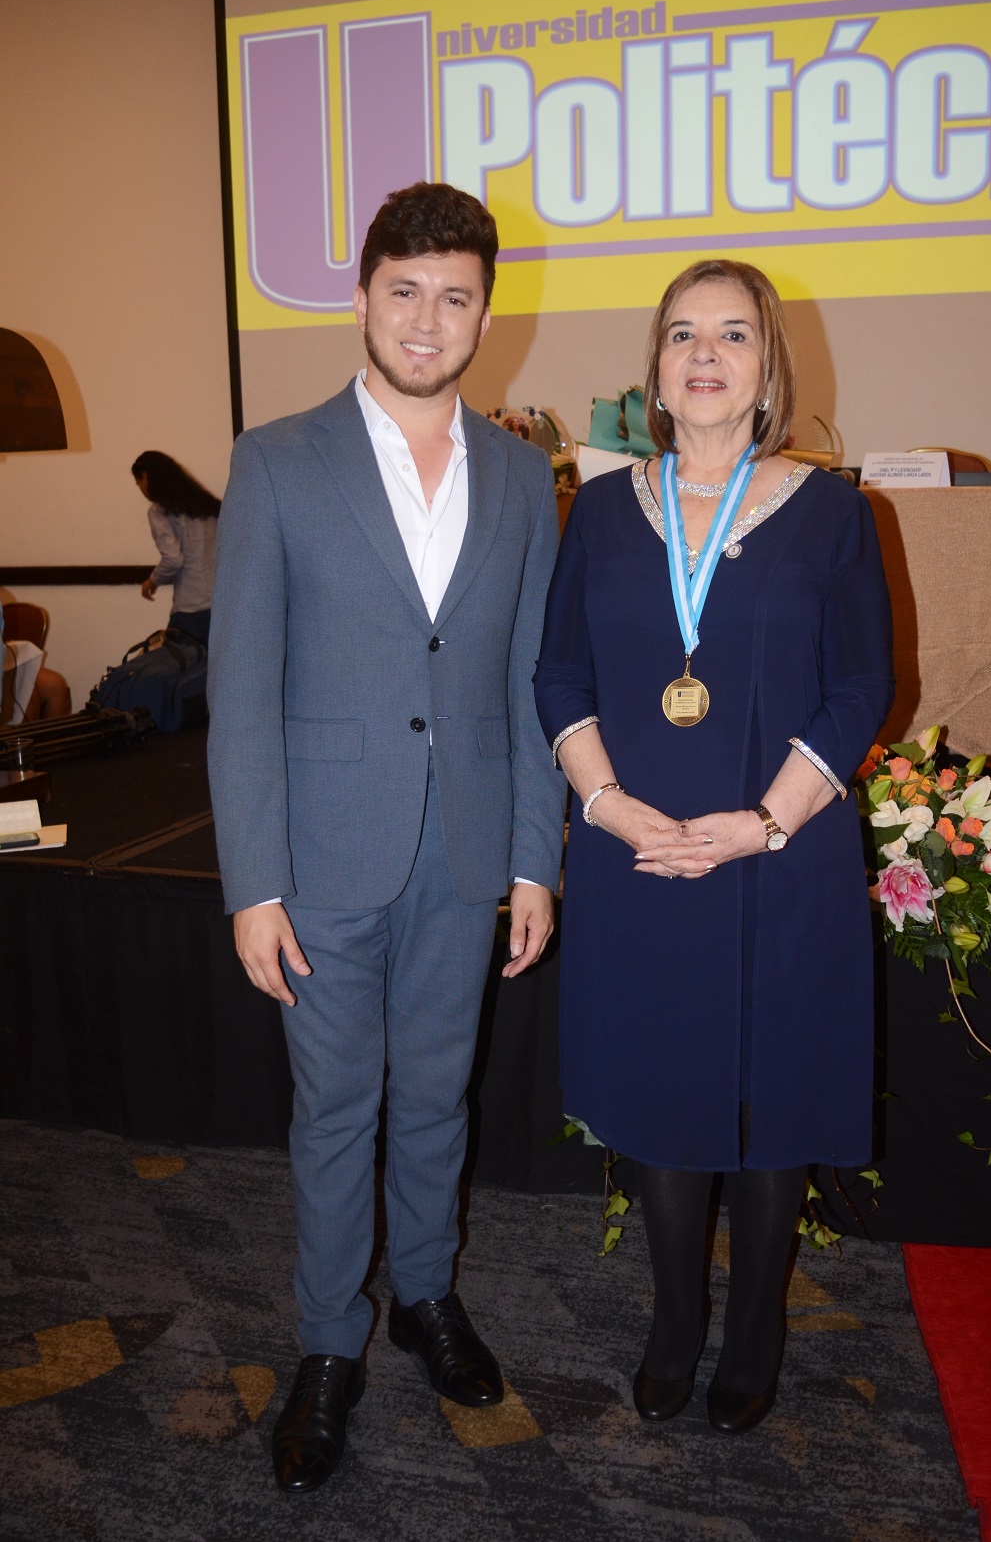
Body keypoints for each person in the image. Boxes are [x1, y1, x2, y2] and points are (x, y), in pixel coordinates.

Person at [207, 182, 565, 1494]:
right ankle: (325, 1344)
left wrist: (535, 857)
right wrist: (253, 881)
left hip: (464, 848)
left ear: (484, 313)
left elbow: (530, 685)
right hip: (320, 853)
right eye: (403, 290)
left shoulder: (526, 475)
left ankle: (424, 1298)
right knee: (333, 1105)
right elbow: (239, 692)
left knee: (435, 1096)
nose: (427, 319)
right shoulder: (276, 459)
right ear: (361, 297)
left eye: (454, 296)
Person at [534, 259, 894, 1435]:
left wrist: (767, 819)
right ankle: (676, 1317)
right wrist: (606, 806)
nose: (704, 353)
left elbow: (861, 687)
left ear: (765, 365)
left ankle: (756, 1330)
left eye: (732, 335)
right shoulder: (598, 508)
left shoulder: (837, 510)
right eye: (682, 333)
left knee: (772, 1101)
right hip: (640, 858)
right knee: (661, 1094)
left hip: (781, 857)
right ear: (655, 369)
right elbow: (559, 674)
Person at [131, 450, 220, 646]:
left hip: (191, 608)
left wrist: (152, 580)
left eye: (139, 483)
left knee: (180, 671)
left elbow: (173, 559)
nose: (141, 490)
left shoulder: (159, 511)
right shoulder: (210, 506)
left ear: (145, 476)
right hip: (223, 603)